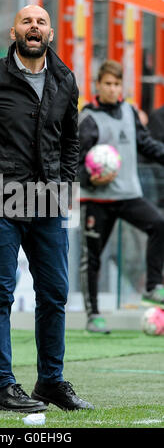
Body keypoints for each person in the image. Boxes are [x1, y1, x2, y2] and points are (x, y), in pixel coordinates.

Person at [0, 5, 94, 413]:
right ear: (14, 31)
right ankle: (5, 388)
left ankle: (50, 382)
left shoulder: (65, 80)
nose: (34, 27)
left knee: (54, 294)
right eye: (27, 21)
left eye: (41, 22)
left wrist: (65, 188)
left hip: (48, 200)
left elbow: (70, 143)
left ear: (50, 33)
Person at [79, 60, 164, 334]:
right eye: (107, 83)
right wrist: (91, 177)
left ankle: (152, 286)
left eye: (117, 84)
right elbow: (73, 163)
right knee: (92, 258)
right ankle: (93, 315)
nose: (113, 88)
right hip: (97, 200)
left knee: (159, 224)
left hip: (129, 195)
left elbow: (147, 145)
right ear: (98, 85)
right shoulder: (87, 118)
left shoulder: (129, 111)